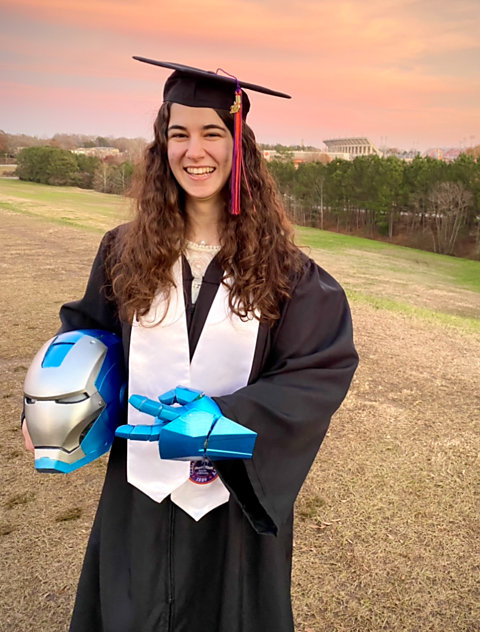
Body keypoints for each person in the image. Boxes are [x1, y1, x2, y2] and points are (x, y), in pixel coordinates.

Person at [22, 58, 359, 632]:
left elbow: (317, 374)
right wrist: (52, 400)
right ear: (161, 146)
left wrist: (223, 420)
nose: (194, 151)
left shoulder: (290, 276)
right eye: (178, 134)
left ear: (239, 147)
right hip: (140, 495)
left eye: (211, 133)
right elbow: (86, 335)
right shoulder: (122, 252)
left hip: (233, 509)